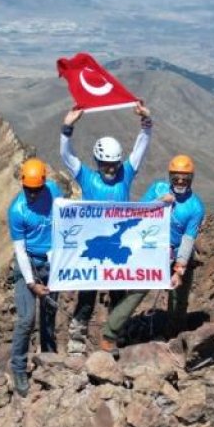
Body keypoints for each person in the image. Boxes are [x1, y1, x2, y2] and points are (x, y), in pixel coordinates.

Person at [60, 102, 153, 352]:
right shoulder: (86, 176)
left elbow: (141, 148)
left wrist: (146, 122)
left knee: (118, 294)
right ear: (97, 162)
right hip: (94, 246)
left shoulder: (126, 173)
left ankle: (115, 336)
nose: (110, 170)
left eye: (114, 165)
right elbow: (66, 157)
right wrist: (67, 128)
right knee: (87, 297)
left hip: (117, 246)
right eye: (105, 165)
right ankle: (76, 341)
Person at [6, 157, 63, 396]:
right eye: (28, 190)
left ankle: (49, 359)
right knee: (27, 319)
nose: (31, 195)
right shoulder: (17, 211)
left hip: (51, 263)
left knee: (49, 314)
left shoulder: (53, 192)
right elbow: (20, 249)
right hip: (27, 264)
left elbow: (66, 218)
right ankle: (18, 367)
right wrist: (31, 283)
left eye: (36, 190)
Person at [143, 154, 206, 337]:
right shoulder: (157, 189)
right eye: (175, 178)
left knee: (178, 298)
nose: (180, 182)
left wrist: (179, 269)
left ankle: (174, 336)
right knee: (138, 289)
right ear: (169, 177)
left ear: (191, 179)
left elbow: (188, 238)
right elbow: (137, 212)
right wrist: (159, 202)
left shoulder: (195, 206)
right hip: (153, 250)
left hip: (179, 254)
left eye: (184, 178)